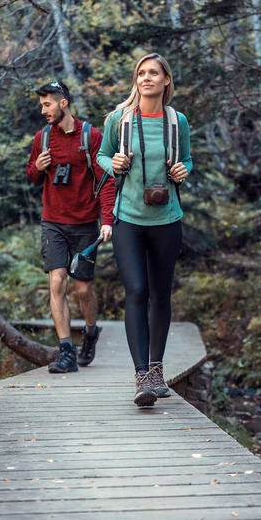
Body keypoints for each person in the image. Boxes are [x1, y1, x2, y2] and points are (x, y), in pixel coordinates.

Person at [97, 53, 192, 407]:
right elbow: (101, 155)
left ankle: (156, 369)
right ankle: (141, 376)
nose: (146, 78)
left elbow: (188, 159)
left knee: (161, 294)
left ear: (166, 79)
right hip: (128, 220)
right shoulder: (118, 119)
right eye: (141, 73)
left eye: (153, 73)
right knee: (136, 290)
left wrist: (183, 170)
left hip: (167, 220)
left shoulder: (176, 120)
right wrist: (114, 163)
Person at [27, 80, 115, 373]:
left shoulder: (91, 136)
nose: (43, 110)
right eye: (41, 105)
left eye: (47, 104)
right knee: (56, 281)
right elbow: (32, 176)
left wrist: (107, 220)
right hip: (53, 221)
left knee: (83, 289)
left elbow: (105, 180)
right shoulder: (41, 138)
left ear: (62, 103)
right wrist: (37, 168)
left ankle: (90, 331)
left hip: (85, 223)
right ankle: (66, 350)